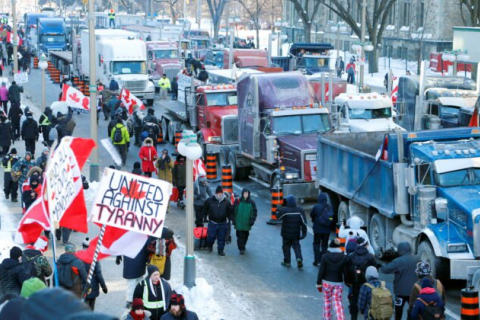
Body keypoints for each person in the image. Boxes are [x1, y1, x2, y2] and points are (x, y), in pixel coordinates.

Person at [380, 242, 419, 320]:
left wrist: (382, 265)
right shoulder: (417, 259)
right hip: (414, 291)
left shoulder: (398, 261)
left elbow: (385, 270)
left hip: (400, 292)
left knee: (398, 312)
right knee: (413, 310)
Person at [345, 237, 377, 320]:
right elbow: (374, 269)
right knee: (368, 301)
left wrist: (348, 282)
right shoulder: (370, 257)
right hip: (367, 283)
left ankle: (354, 317)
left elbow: (346, 270)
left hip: (354, 282)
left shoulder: (351, 256)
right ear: (365, 246)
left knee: (354, 299)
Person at [118, 238, 155, 309]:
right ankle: (134, 300)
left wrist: (118, 255)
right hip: (139, 262)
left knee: (133, 283)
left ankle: (131, 300)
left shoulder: (128, 235)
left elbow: (121, 244)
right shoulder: (143, 236)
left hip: (131, 263)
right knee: (137, 282)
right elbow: (148, 248)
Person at [317, 238, 347, 320]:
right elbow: (345, 271)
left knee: (327, 301)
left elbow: (321, 271)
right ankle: (340, 317)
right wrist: (348, 282)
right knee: (337, 301)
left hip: (326, 282)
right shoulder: (343, 257)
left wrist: (318, 283)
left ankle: (327, 317)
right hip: (338, 283)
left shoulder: (325, 256)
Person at [276, 195, 307, 268]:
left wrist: (278, 210)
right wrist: (304, 233)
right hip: (296, 234)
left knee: (286, 247)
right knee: (296, 246)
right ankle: (299, 258)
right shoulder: (300, 210)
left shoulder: (284, 210)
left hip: (286, 234)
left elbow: (278, 217)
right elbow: (304, 223)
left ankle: (287, 262)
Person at [204, 186, 233, 256]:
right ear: (215, 194)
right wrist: (204, 217)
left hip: (223, 223)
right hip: (212, 223)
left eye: (221, 193)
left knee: (221, 238)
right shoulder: (210, 200)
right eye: (218, 193)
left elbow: (230, 211)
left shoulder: (227, 202)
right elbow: (205, 208)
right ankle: (210, 246)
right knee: (211, 237)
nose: (219, 195)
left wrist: (230, 219)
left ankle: (220, 250)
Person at [310, 193, 333, 267]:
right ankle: (323, 260)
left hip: (317, 229)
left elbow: (311, 214)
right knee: (324, 245)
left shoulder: (317, 207)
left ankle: (317, 260)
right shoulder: (329, 207)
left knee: (316, 244)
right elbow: (331, 218)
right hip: (326, 230)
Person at [232, 188, 257, 255]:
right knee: (240, 236)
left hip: (247, 223)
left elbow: (254, 212)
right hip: (239, 223)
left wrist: (252, 220)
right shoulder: (238, 201)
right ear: (242, 194)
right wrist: (233, 219)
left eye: (247, 193)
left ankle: (243, 245)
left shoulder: (251, 202)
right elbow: (233, 211)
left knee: (246, 235)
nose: (246, 195)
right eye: (245, 193)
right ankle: (241, 248)